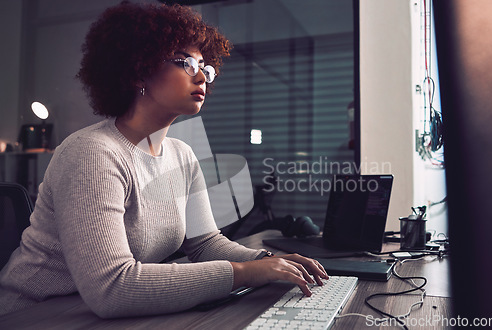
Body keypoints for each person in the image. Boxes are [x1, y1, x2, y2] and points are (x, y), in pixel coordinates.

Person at [0, 1, 328, 318]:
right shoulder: (93, 153)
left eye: (205, 68)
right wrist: (244, 273)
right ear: (138, 70)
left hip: (102, 315)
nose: (201, 77)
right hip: (38, 315)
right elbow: (112, 289)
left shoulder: (181, 154)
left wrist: (270, 261)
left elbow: (206, 244)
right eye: (185, 62)